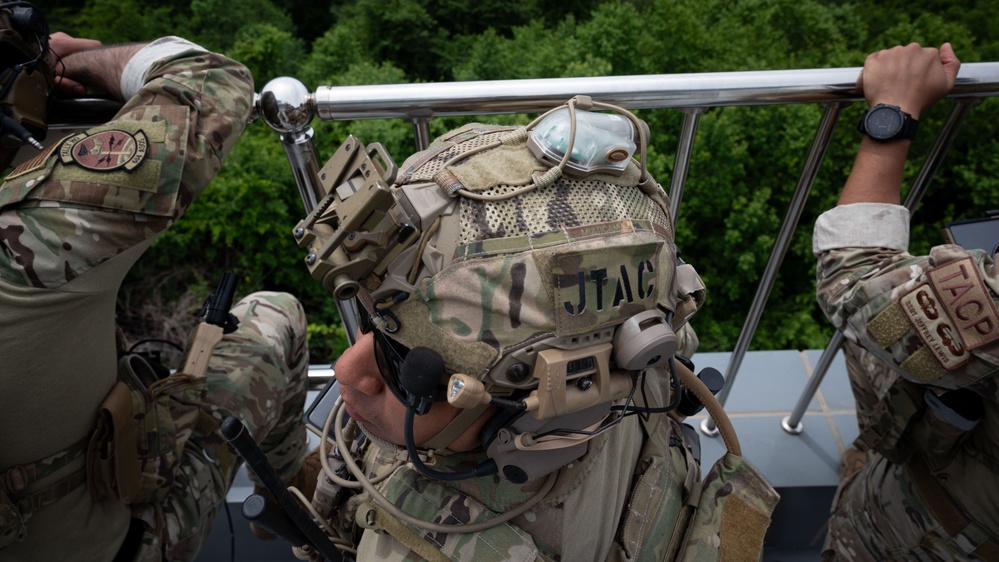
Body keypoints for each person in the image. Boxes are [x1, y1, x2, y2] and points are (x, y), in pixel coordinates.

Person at [299, 96, 779, 561]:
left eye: (400, 365)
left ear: (537, 405)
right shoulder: (642, 366)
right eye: (373, 326)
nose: (347, 369)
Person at [0, 3, 316, 560]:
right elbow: (213, 79)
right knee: (274, 313)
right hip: (121, 547)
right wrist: (83, 61)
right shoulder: (28, 231)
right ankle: (293, 502)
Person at [813, 42, 999, 560]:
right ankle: (876, 449)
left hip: (941, 532)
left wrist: (893, 111)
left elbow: (855, 282)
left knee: (883, 333)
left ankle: (877, 466)